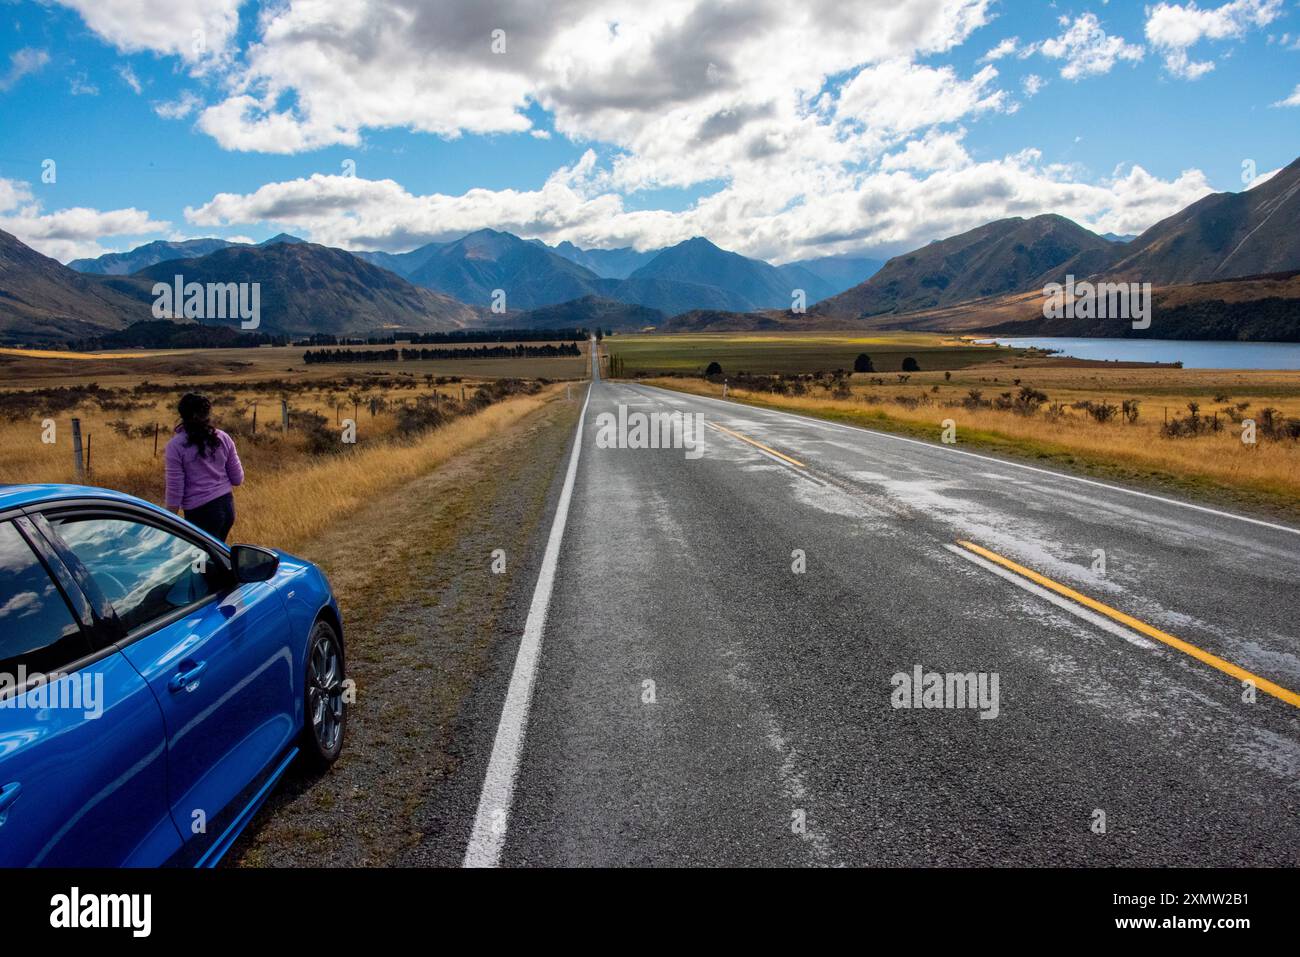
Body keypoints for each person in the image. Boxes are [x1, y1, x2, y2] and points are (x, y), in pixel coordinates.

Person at [163, 392, 244, 542]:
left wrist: (168, 521)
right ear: (207, 414)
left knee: (199, 561)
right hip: (227, 508)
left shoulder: (175, 446)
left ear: (183, 415)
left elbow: (175, 489)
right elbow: (238, 479)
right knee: (215, 556)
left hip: (200, 513)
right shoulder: (223, 437)